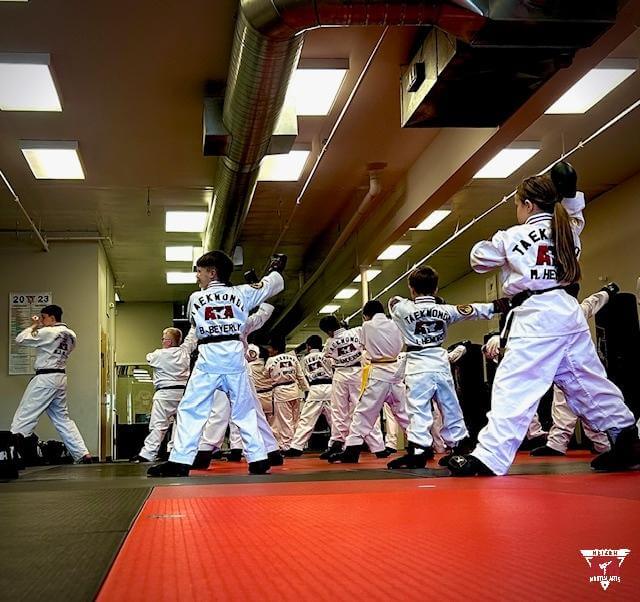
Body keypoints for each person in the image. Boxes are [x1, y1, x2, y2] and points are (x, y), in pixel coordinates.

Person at [449, 163, 639, 476]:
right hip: (568, 312)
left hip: (536, 317)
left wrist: (498, 241)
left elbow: (479, 259)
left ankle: (489, 456)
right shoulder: (567, 229)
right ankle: (624, 435)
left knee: (514, 386)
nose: (516, 211)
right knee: (585, 381)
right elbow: (576, 215)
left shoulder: (514, 236)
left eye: (516, 206)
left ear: (528, 205)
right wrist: (571, 196)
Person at [148, 251, 286, 477]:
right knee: (244, 409)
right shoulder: (241, 293)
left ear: (212, 273)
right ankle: (258, 458)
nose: (197, 277)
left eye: (200, 272)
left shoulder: (195, 298)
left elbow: (195, 320)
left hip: (209, 358)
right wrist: (275, 271)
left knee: (192, 408)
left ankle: (180, 460)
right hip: (233, 356)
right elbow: (269, 286)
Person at [388, 267, 501, 469]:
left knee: (418, 407)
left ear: (411, 289)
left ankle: (419, 451)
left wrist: (415, 301)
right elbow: (472, 310)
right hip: (440, 362)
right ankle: (460, 447)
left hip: (418, 364)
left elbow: (393, 301)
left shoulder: (402, 309)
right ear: (437, 288)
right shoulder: (446, 311)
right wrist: (497, 305)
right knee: (449, 405)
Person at [192, 304, 282, 469]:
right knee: (253, 410)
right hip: (238, 369)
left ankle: (204, 452)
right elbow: (260, 318)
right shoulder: (239, 322)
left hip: (221, 368)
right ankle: (271, 451)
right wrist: (265, 303)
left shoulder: (209, 323)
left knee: (220, 410)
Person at [328, 300, 411, 463]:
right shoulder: (397, 323)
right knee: (403, 412)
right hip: (396, 370)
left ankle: (352, 450)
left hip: (378, 372)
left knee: (363, 413)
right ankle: (422, 446)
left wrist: (343, 329)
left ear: (366, 315)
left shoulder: (366, 326)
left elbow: (354, 340)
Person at [11, 305, 92, 464]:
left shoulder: (48, 332)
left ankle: (11, 453)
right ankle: (82, 453)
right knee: (62, 419)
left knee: (25, 415)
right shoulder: (71, 335)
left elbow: (20, 338)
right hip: (60, 378)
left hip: (45, 378)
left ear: (52, 318)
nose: (41, 320)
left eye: (43, 317)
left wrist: (34, 325)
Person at [319, 315, 386, 459]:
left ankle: (337, 442)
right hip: (358, 372)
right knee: (365, 409)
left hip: (340, 374)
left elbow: (326, 359)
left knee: (338, 411)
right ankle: (378, 446)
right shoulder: (356, 331)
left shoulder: (329, 342)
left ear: (328, 331)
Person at [131, 327, 197, 463]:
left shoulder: (158, 355)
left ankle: (148, 453)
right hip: (183, 394)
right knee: (181, 426)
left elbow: (148, 358)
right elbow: (192, 338)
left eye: (163, 339)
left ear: (168, 342)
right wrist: (193, 325)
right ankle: (174, 452)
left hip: (164, 394)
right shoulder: (184, 352)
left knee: (158, 425)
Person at [284, 335, 333, 457]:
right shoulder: (326, 355)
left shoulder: (305, 359)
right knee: (336, 419)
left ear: (308, 346)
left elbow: (302, 374)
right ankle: (343, 445)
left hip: (314, 389)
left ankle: (296, 447)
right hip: (330, 388)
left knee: (306, 420)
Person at [265, 338, 308, 451]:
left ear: (276, 349)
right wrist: (306, 390)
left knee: (285, 420)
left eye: (270, 348)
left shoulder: (271, 360)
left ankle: (287, 445)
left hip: (281, 392)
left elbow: (265, 375)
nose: (269, 350)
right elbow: (300, 376)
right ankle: (297, 444)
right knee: (295, 419)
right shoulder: (293, 358)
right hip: (295, 391)